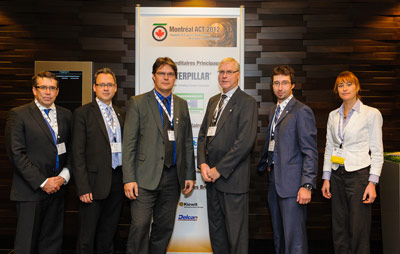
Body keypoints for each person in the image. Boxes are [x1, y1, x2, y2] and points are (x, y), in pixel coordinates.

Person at [122, 57, 196, 254]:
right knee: (139, 227)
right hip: (144, 178)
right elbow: (129, 144)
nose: (166, 77)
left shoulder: (181, 104)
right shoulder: (138, 103)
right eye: (162, 73)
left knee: (164, 228)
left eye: (170, 74)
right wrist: (128, 178)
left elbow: (187, 141)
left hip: (173, 177)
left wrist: (189, 174)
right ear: (154, 76)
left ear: (175, 78)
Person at [5, 71, 72, 254]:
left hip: (57, 191)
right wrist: (43, 182)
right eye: (43, 87)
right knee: (26, 246)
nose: (48, 92)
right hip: (30, 191)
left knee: (52, 245)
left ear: (57, 91)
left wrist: (62, 178)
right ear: (35, 90)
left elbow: (72, 151)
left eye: (52, 88)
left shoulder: (66, 115)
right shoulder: (19, 115)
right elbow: (16, 154)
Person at [197, 57, 258, 254]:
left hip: (232, 181)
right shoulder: (213, 101)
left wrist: (219, 170)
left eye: (229, 72)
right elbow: (202, 136)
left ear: (238, 75)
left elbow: (244, 143)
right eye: (221, 71)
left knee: (236, 236)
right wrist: (203, 165)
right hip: (211, 179)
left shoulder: (247, 102)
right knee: (217, 233)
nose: (224, 76)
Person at [257, 65, 318, 254]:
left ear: (293, 85)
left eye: (284, 83)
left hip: (293, 186)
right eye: (276, 83)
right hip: (275, 182)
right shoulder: (273, 111)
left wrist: (306, 185)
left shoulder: (302, 111)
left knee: (294, 239)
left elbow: (310, 151)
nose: (280, 87)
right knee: (280, 236)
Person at [321, 71, 383, 254]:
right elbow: (329, 146)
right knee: (339, 227)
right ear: (336, 90)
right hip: (336, 175)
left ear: (357, 88)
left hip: (359, 176)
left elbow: (377, 151)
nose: (345, 88)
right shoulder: (333, 115)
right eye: (341, 85)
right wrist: (326, 177)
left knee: (358, 228)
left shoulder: (371, 114)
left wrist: (373, 182)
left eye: (349, 84)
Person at [72, 68, 125, 253]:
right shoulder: (83, 113)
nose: (106, 88)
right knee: (87, 237)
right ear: (95, 87)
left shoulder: (120, 113)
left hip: (117, 181)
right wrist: (83, 187)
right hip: (92, 185)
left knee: (108, 233)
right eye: (102, 84)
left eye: (109, 84)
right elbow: (77, 153)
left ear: (116, 88)